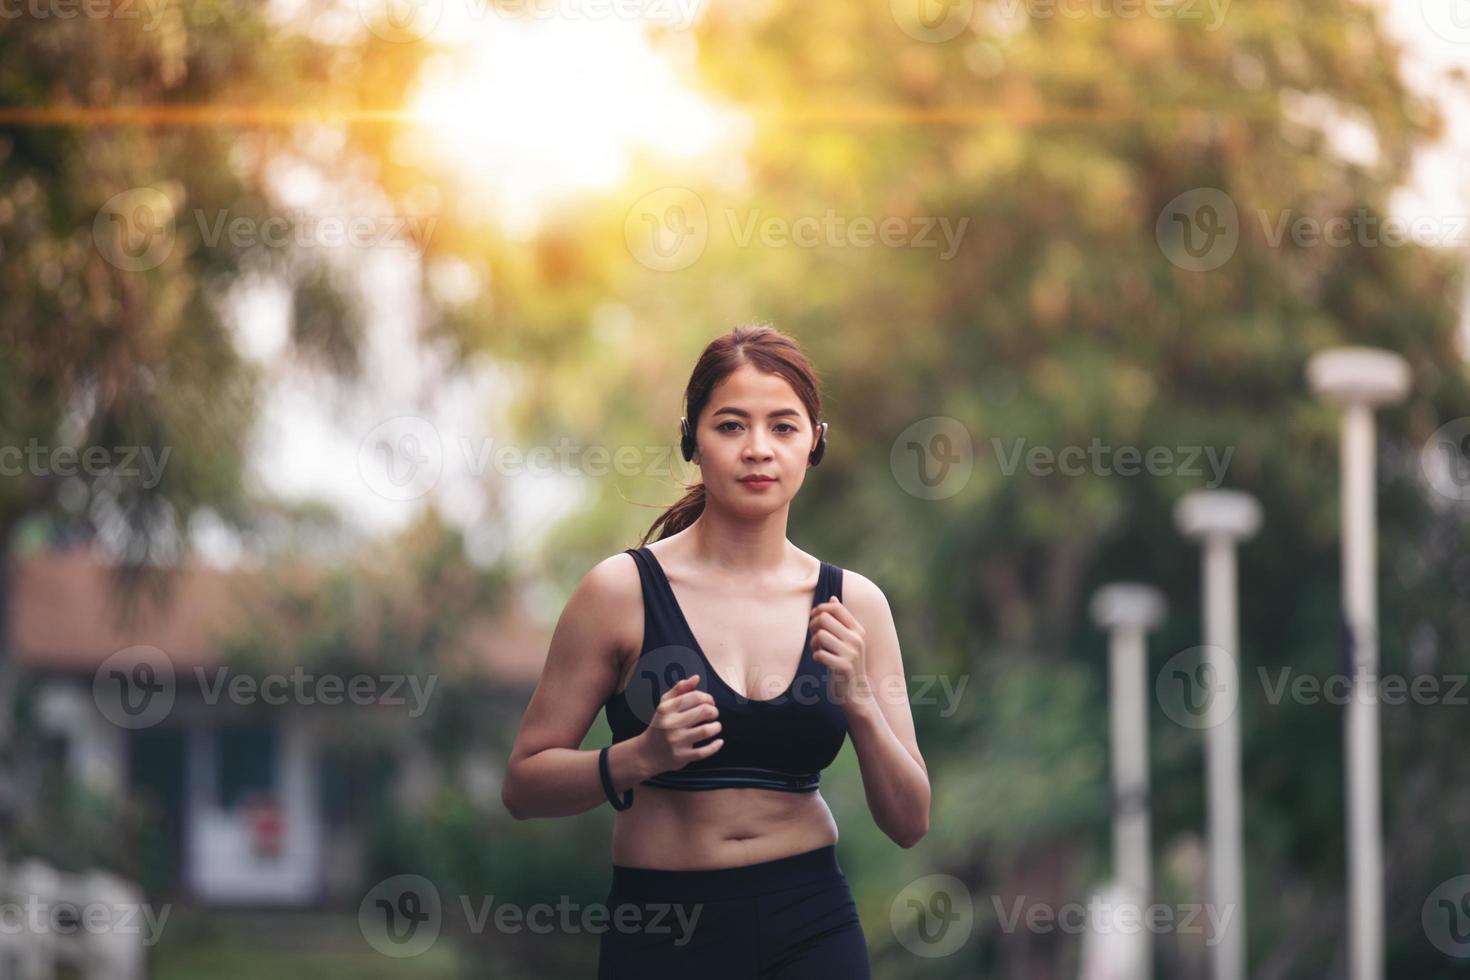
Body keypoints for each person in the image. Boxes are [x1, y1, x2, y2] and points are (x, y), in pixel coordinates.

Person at [501, 323, 930, 979]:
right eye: (732, 426)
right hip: (662, 929)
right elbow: (523, 786)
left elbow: (909, 821)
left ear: (814, 444)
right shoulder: (621, 592)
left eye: (783, 427)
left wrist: (861, 703)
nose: (758, 449)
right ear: (691, 440)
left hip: (811, 924)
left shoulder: (856, 604)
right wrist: (638, 757)